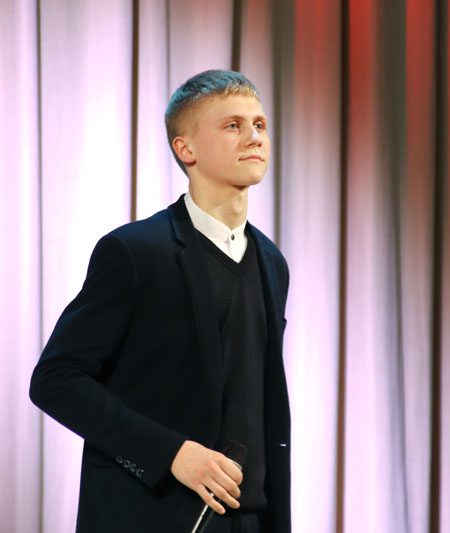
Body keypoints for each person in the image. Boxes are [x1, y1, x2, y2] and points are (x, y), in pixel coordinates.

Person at [30, 70, 290, 533]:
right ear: (185, 149)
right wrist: (172, 454)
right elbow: (56, 380)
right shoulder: (134, 252)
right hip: (152, 515)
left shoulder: (272, 262)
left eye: (259, 125)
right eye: (232, 125)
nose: (254, 136)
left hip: (249, 519)